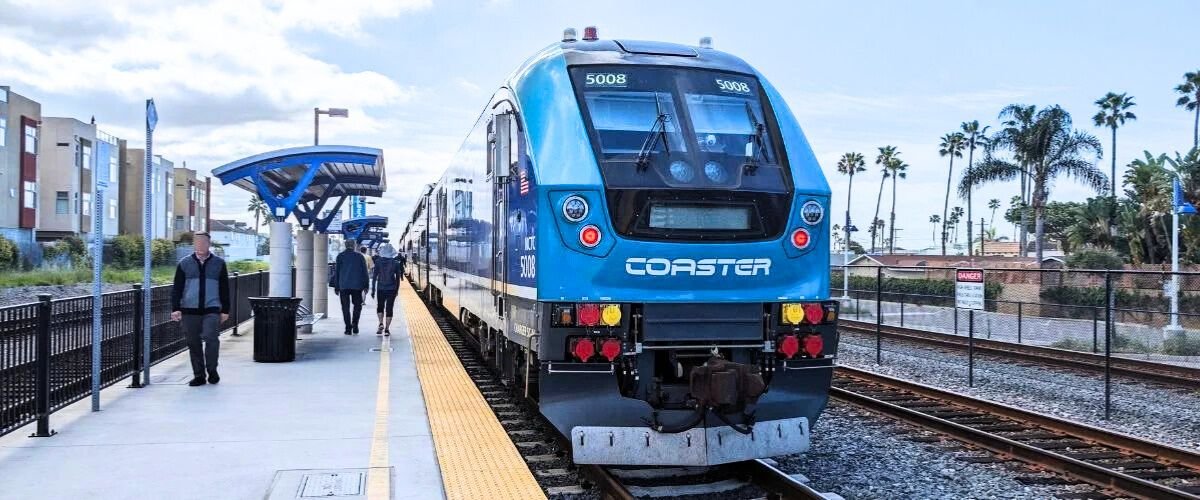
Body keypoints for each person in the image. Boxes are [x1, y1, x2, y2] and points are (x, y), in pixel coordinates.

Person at [170, 232, 231, 387]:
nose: (201, 245)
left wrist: (225, 310)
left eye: (204, 242)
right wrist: (176, 308)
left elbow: (224, 287)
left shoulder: (219, 263)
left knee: (211, 338)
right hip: (189, 309)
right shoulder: (184, 263)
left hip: (212, 308)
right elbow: (177, 288)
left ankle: (212, 370)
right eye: (198, 242)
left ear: (209, 244)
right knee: (193, 343)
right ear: (194, 244)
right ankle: (199, 375)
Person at [332, 239, 370, 334]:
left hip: (343, 285)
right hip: (357, 286)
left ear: (345, 245)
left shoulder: (340, 256)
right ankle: (355, 325)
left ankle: (348, 328)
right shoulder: (359, 256)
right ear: (354, 246)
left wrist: (336, 287)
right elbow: (364, 271)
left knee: (345, 307)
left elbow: (337, 272)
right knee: (357, 306)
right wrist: (366, 285)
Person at [371, 243, 403, 336]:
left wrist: (373, 290)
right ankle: (387, 329)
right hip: (392, 288)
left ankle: (381, 323)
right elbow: (397, 278)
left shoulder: (378, 262)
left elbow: (374, 277)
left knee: (380, 306)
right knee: (389, 308)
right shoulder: (396, 263)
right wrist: (397, 290)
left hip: (380, 288)